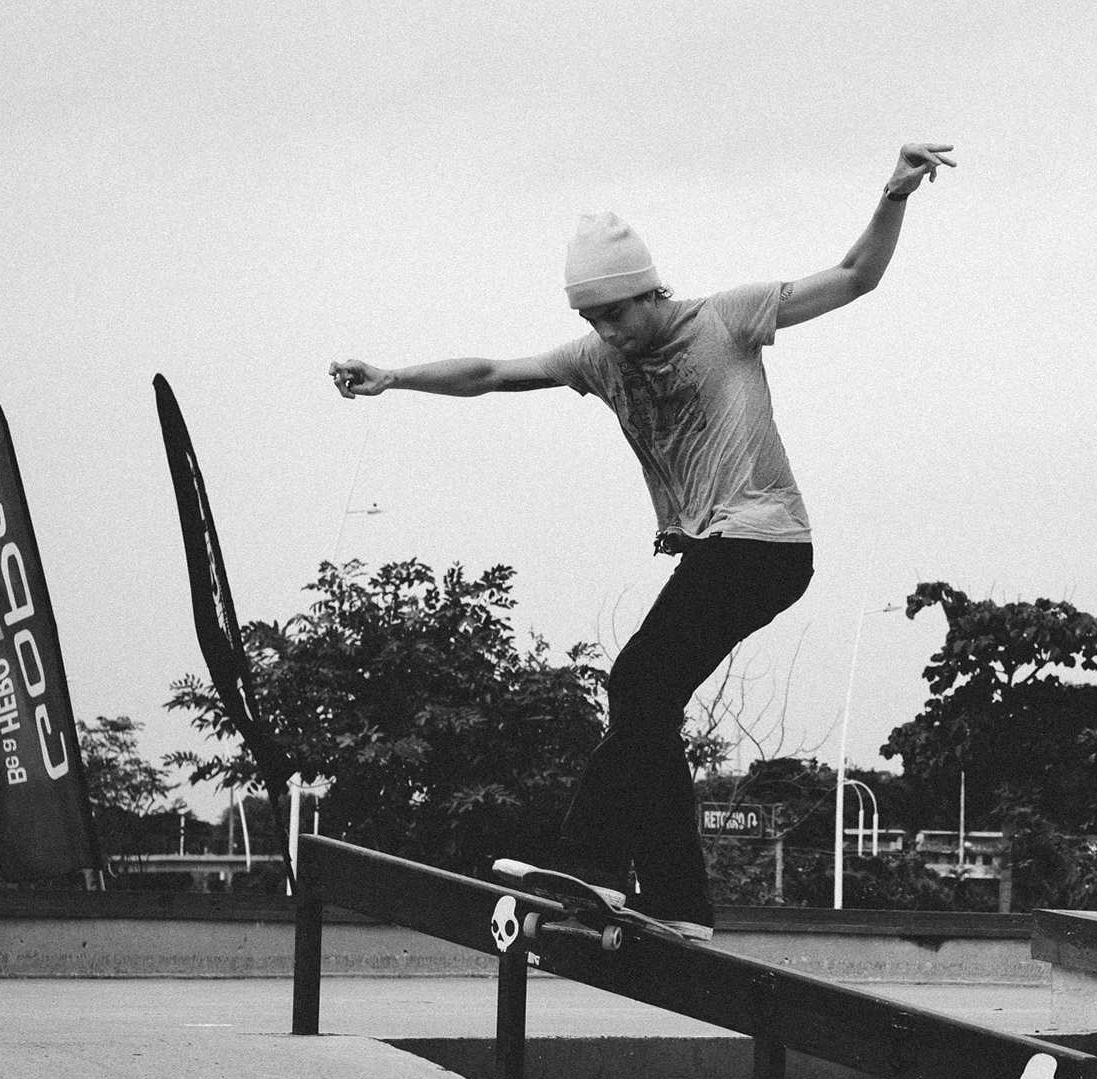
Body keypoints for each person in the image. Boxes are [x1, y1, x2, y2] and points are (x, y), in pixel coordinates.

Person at [328, 143, 957, 937]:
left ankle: (591, 859)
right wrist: (394, 376)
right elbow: (490, 373)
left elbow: (855, 276)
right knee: (646, 706)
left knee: (636, 683)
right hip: (717, 552)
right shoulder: (597, 358)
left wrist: (894, 194)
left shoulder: (726, 319)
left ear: (649, 291)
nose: (608, 333)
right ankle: (679, 902)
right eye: (591, 320)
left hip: (766, 542)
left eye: (616, 314)